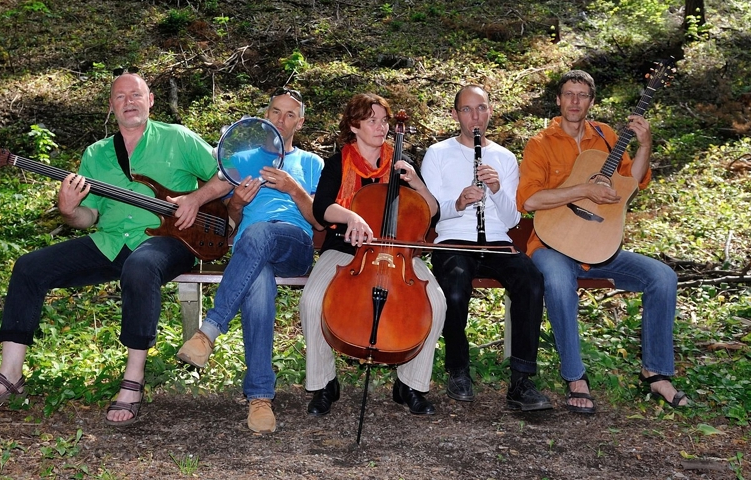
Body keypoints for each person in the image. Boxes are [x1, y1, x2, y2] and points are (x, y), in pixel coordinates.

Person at [0, 71, 233, 426]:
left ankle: (134, 378)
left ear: (150, 99)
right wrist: (68, 209)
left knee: (140, 266)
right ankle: (10, 374)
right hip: (110, 241)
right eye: (120, 97)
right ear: (111, 106)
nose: (129, 102)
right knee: (29, 267)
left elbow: (227, 173)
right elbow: (89, 217)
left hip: (173, 239)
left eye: (136, 95)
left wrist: (196, 199)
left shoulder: (178, 138)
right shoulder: (96, 154)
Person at [516, 70, 688, 413]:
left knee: (663, 277)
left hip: (599, 247)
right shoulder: (540, 143)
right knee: (559, 280)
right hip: (552, 246)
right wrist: (584, 189)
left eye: (582, 95)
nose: (575, 101)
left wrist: (645, 144)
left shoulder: (607, 136)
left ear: (591, 102)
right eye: (569, 94)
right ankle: (575, 376)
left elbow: (630, 184)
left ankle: (655, 372)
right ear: (558, 100)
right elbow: (529, 201)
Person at [176, 88, 324, 433]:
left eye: (290, 115)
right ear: (265, 115)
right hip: (251, 254)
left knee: (260, 233)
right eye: (275, 112)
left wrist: (293, 189)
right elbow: (215, 190)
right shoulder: (246, 157)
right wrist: (228, 203)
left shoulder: (311, 163)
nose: (280, 120)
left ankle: (208, 331)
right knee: (258, 281)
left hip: (293, 244)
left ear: (299, 123)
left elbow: (319, 221)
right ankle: (260, 398)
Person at [299, 93, 447, 416]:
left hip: (398, 255)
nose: (381, 128)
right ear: (354, 126)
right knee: (312, 300)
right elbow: (322, 208)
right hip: (346, 252)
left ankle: (410, 384)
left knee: (437, 302)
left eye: (384, 121)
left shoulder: (401, 163)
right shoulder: (338, 162)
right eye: (372, 121)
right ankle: (325, 383)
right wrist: (351, 216)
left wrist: (417, 183)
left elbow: (432, 213)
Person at [421, 85, 552, 411]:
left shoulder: (504, 158)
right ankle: (458, 369)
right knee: (454, 286)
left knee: (531, 280)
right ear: (455, 115)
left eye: (480, 108)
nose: (474, 116)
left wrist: (495, 188)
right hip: (453, 239)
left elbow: (510, 219)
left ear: (490, 111)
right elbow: (432, 211)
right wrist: (459, 202)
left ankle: (521, 381)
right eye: (466, 109)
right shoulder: (437, 154)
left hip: (496, 241)